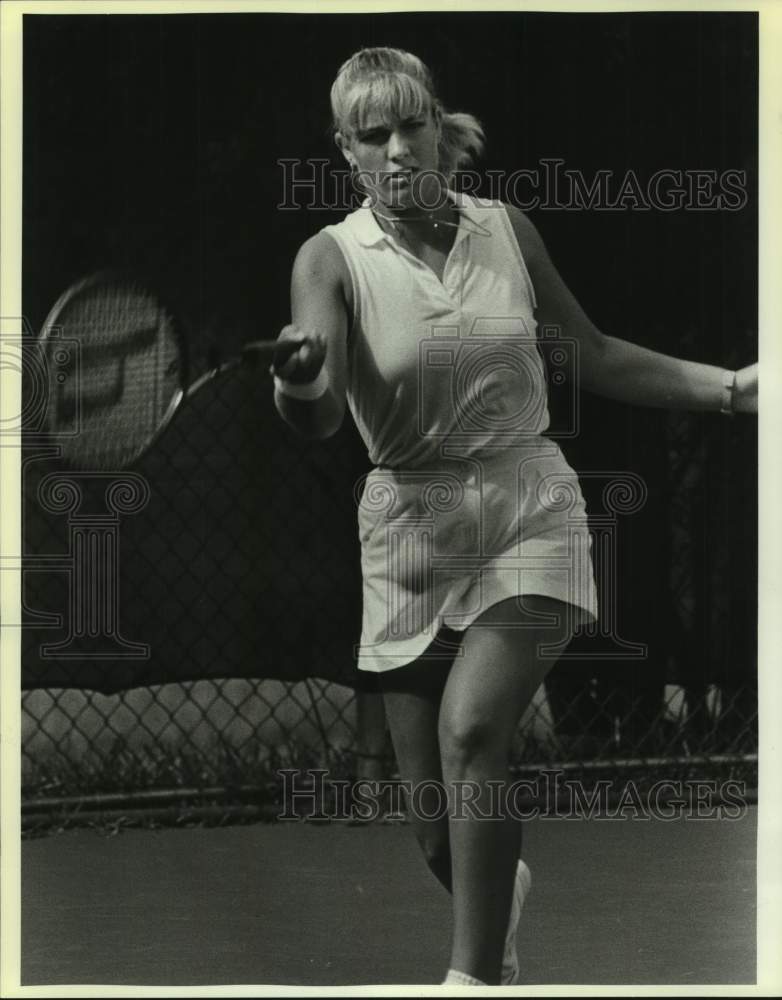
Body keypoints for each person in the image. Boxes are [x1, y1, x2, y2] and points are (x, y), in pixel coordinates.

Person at [271, 47, 757, 987]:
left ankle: (472, 981)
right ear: (347, 153)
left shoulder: (506, 231)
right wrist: (298, 383)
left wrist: (733, 390)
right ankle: (500, 898)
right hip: (408, 532)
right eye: (375, 135)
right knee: (430, 825)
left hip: (528, 503)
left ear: (436, 122)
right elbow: (323, 412)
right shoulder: (327, 260)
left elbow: (596, 352)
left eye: (412, 123)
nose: (399, 147)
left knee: (471, 730)